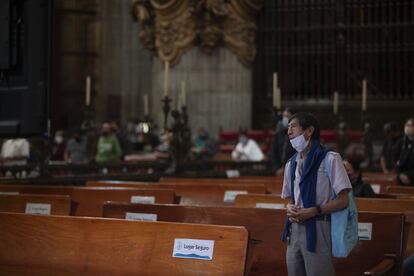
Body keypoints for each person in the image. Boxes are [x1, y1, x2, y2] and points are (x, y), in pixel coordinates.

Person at [281, 112, 352, 276]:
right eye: (288, 127)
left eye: (293, 126)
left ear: (309, 131)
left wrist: (314, 210)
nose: (289, 131)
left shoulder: (331, 159)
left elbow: (343, 201)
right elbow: (291, 198)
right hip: (294, 227)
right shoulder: (291, 163)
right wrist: (289, 207)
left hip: (319, 224)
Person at [271, 107, 295, 175]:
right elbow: (274, 152)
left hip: (292, 170)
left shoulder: (297, 135)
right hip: (279, 171)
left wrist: (286, 168)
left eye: (287, 116)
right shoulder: (279, 134)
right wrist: (277, 168)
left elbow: (298, 153)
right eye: (284, 116)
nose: (285, 119)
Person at [393, 117, 414, 185]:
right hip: (401, 177)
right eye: (406, 125)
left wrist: (409, 176)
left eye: (409, 125)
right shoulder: (401, 142)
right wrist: (400, 174)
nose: (407, 127)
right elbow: (395, 158)